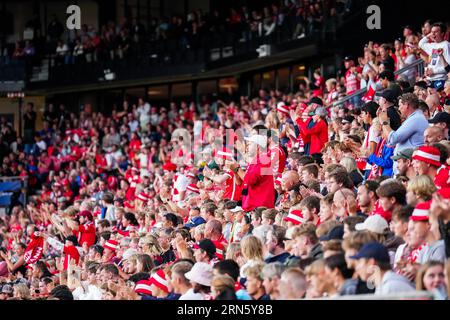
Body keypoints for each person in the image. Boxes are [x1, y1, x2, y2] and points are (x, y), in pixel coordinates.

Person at [351, 242, 415, 295]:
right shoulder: (385, 285)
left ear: (371, 263)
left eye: (359, 262)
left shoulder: (390, 286)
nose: (357, 268)